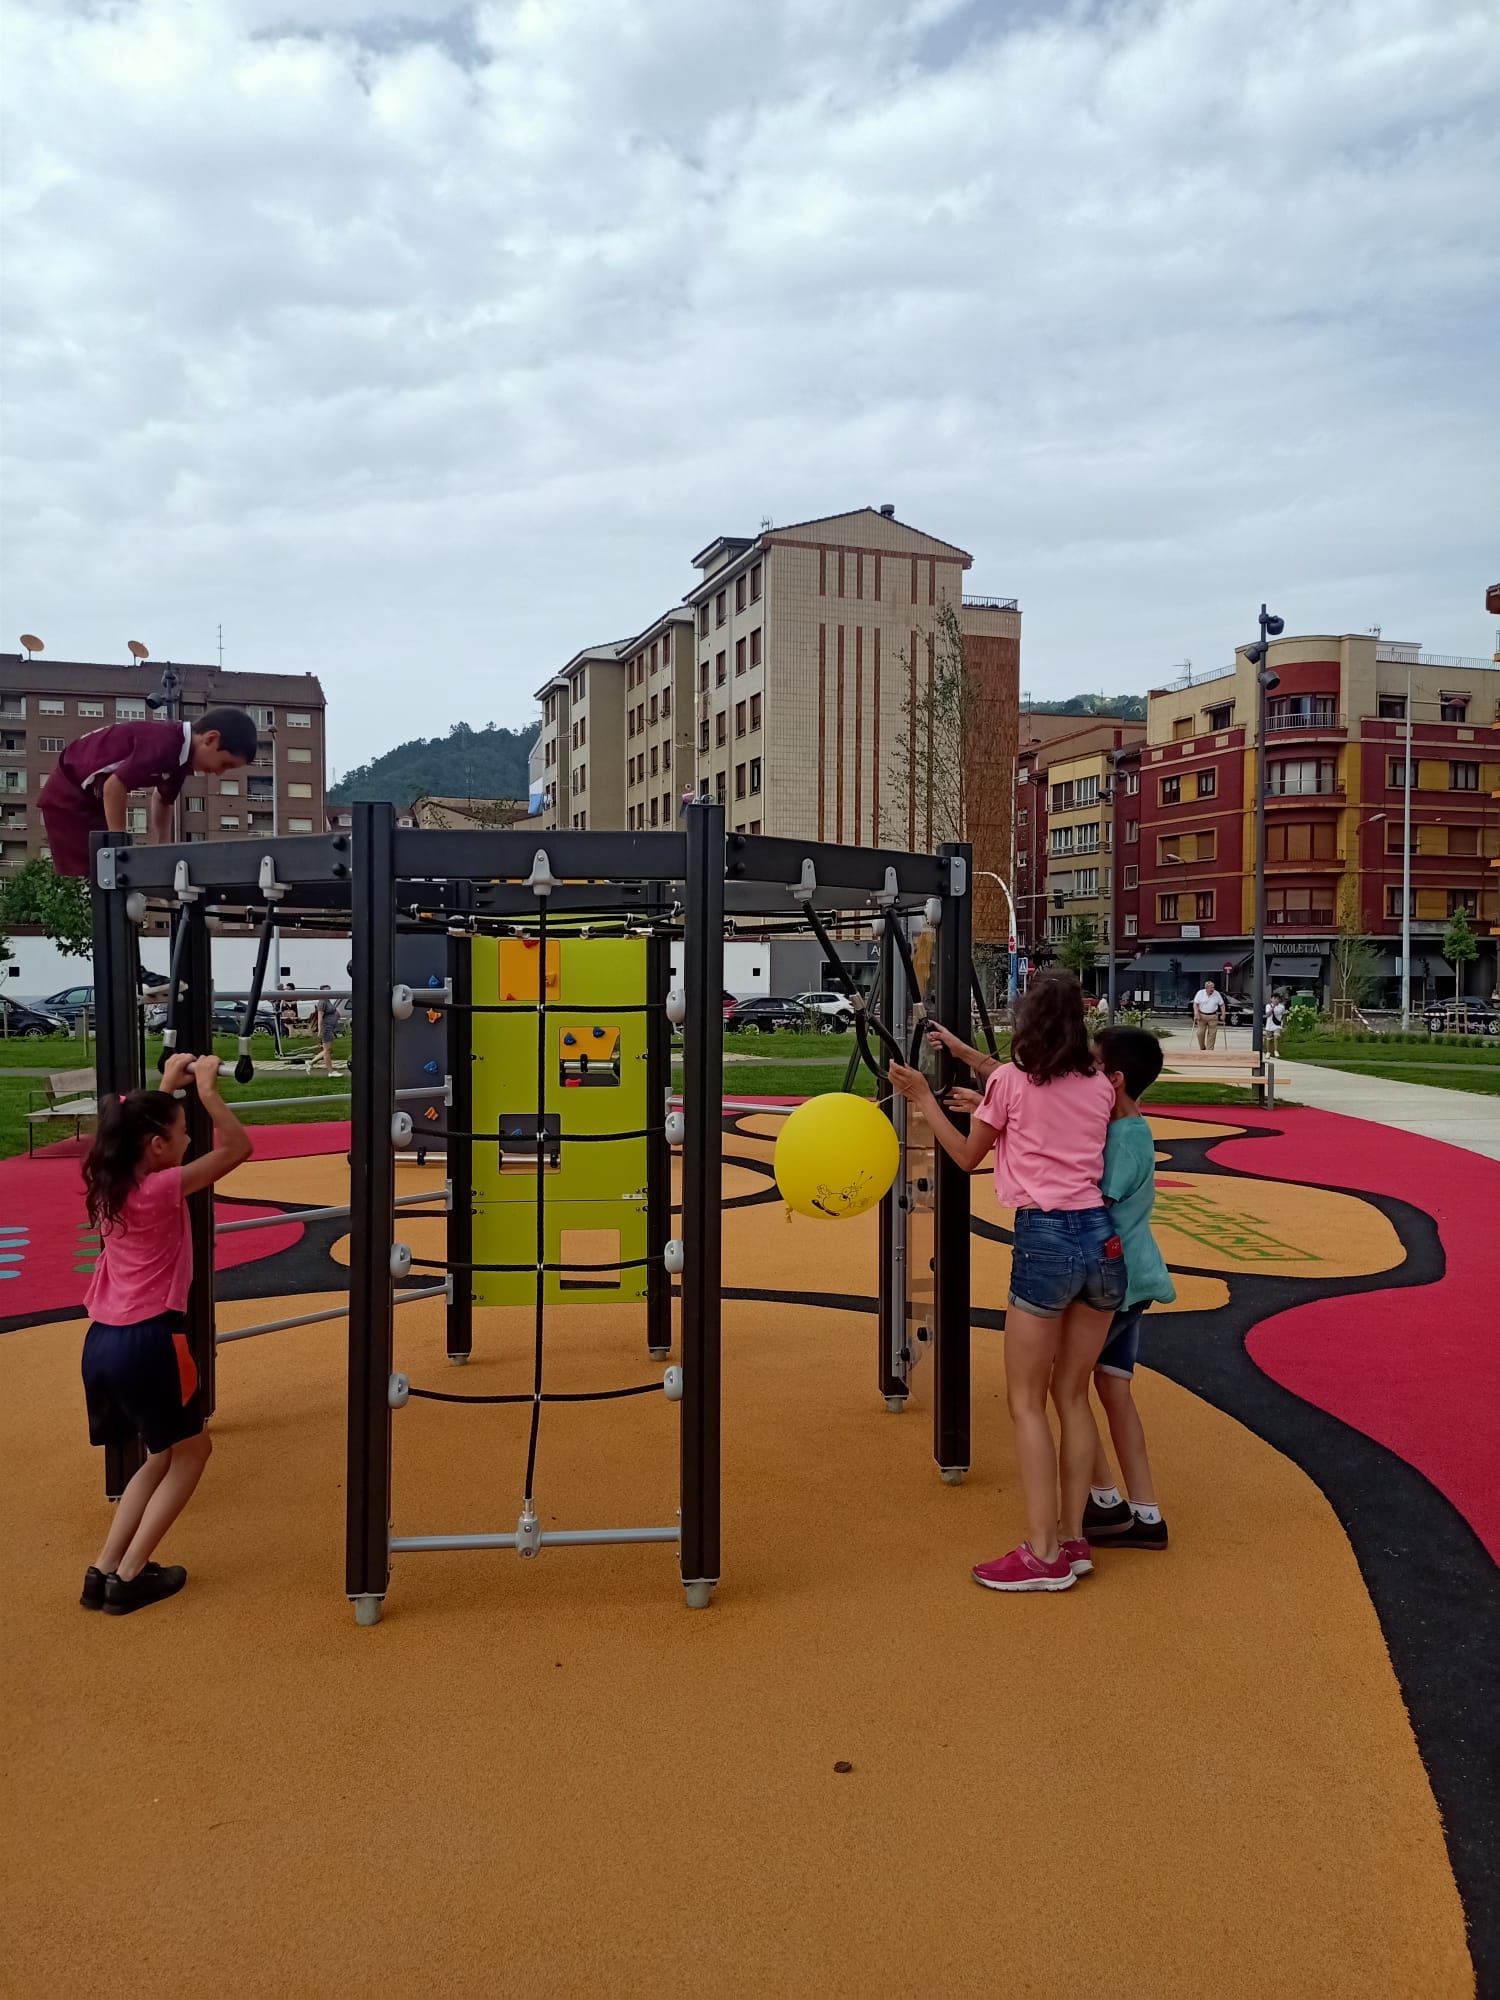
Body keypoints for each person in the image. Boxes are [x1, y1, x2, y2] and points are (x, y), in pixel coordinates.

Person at [890, 974, 1124, 1594]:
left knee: (1025, 1400)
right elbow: (1029, 1092)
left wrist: (923, 1098)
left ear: (1028, 1025)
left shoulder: (1011, 1085)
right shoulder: (1098, 1085)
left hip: (1045, 1239)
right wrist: (968, 1057)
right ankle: (1072, 1540)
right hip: (1102, 1239)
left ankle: (1042, 1552)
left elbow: (968, 1157)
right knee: (1071, 1395)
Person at [79, 1053, 252, 1614]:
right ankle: (130, 1578)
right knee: (195, 1450)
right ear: (156, 1145)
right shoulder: (161, 1188)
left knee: (158, 1455)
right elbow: (237, 1149)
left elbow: (145, 1132)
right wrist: (204, 1092)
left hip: (103, 1340)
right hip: (152, 1341)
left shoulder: (112, 1180)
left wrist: (164, 1092)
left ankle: (103, 1569)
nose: (187, 1141)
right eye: (180, 1135)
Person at [1080, 1026, 1176, 1553]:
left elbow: (1092, 1199)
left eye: (1091, 1067)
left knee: (1065, 1384)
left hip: (1112, 1280)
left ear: (1113, 1080)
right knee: (1113, 1389)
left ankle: (1105, 1500)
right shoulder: (1127, 1130)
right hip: (1134, 1279)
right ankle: (1145, 1511)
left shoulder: (1124, 1140)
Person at [39, 708, 258, 878]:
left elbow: (163, 800)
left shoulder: (180, 762)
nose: (220, 773)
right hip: (69, 796)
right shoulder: (164, 744)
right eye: (225, 764)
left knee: (106, 873)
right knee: (100, 873)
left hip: (90, 796)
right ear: (210, 739)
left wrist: (162, 850)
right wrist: (118, 845)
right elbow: (114, 786)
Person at [1191, 976, 1225, 1049]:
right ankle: (1202, 1047)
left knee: (1212, 1034)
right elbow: (1195, 1004)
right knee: (1200, 1033)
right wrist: (1196, 1013)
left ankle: (1209, 1050)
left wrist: (1223, 1014)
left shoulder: (1217, 994)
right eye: (1211, 988)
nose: (1213, 989)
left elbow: (1222, 1005)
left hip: (1213, 1016)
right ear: (1206, 988)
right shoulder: (1200, 993)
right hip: (1202, 1015)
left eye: (1213, 987)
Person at [313, 985, 340, 1074]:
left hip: (331, 1027)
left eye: (329, 991)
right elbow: (320, 1018)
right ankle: (330, 1071)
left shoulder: (328, 1001)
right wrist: (320, 1031)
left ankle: (311, 1062)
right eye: (326, 991)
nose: (329, 992)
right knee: (327, 1050)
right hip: (326, 1028)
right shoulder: (322, 1002)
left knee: (328, 1050)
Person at [1264, 991, 1287, 1056]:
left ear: (1279, 999)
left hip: (1277, 1025)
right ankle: (1268, 1052)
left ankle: (1276, 1051)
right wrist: (1273, 1007)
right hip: (1269, 1025)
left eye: (1277, 999)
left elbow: (1283, 1015)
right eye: (1274, 998)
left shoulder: (1282, 1007)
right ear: (1271, 999)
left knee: (1276, 1037)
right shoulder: (1268, 1006)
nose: (1276, 1000)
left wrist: (1284, 1024)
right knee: (1268, 1039)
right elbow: (1267, 1015)